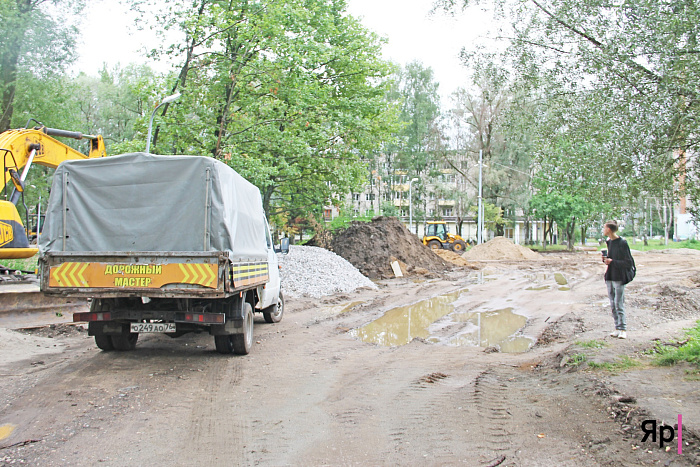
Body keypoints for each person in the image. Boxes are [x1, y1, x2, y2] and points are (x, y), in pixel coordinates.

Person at [602, 220, 635, 339]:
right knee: (612, 303)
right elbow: (612, 259)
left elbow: (628, 262)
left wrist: (613, 262)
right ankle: (617, 327)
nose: (603, 230)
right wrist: (606, 260)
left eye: (604, 228)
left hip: (619, 277)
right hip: (610, 275)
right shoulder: (609, 242)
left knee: (618, 303)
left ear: (609, 229)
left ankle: (623, 329)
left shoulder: (622, 243)